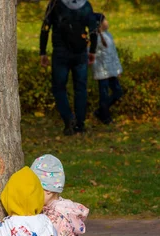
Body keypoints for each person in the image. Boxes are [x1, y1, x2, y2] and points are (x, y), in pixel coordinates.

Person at [40, 0, 98, 136]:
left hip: (60, 53)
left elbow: (45, 28)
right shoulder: (86, 5)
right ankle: (80, 124)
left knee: (59, 88)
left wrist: (42, 51)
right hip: (80, 53)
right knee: (81, 89)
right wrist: (92, 51)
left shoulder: (55, 4)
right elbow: (93, 30)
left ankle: (68, 119)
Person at [92, 13, 123, 124]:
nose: (107, 22)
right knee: (104, 95)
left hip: (111, 71)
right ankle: (105, 117)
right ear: (99, 24)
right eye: (105, 20)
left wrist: (118, 70)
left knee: (118, 92)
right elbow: (90, 54)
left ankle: (100, 111)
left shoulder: (108, 35)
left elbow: (114, 55)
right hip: (102, 71)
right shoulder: (95, 38)